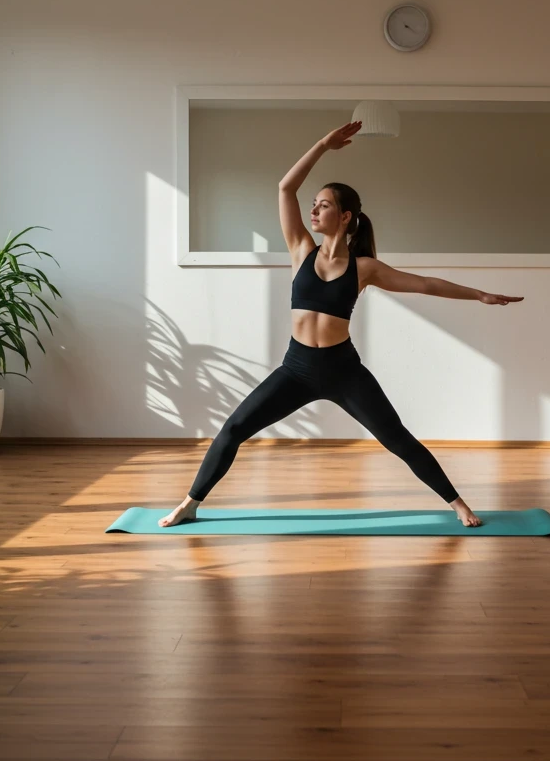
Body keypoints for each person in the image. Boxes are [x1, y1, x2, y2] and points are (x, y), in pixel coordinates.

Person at [158, 120, 524, 528]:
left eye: (324, 204)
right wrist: (321, 145)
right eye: (314, 204)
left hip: (343, 371)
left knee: (397, 438)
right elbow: (285, 189)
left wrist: (479, 294)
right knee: (233, 429)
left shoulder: (364, 268)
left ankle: (458, 504)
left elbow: (425, 284)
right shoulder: (301, 249)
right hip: (295, 370)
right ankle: (191, 503)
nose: (313, 209)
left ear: (346, 216)